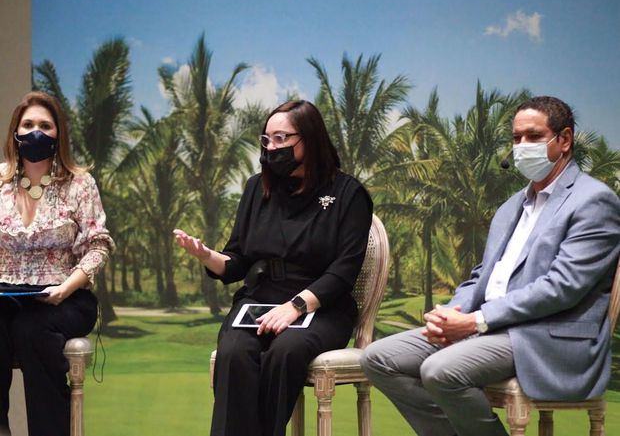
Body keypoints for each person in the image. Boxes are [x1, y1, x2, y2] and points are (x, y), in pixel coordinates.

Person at [360, 96, 620, 436]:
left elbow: (562, 287)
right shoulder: (511, 206)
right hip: (490, 327)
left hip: (547, 335)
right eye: (515, 138)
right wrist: (450, 313)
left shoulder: (593, 200)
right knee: (378, 357)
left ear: (565, 140)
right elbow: (483, 275)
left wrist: (474, 322)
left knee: (440, 370)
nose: (522, 146)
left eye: (533, 136)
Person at [174, 100, 373, 436]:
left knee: (286, 351)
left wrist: (296, 307)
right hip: (259, 301)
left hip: (321, 307)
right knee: (235, 352)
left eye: (282, 139)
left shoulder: (348, 193)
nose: (272, 148)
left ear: (309, 138)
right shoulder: (256, 188)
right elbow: (237, 262)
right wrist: (208, 256)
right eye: (266, 140)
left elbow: (344, 269)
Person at [0, 92, 114, 436]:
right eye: (29, 124)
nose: (36, 132)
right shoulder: (0, 181)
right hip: (6, 294)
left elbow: (98, 245)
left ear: (58, 134)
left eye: (45, 126)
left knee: (31, 330)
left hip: (66, 295)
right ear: (15, 133)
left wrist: (67, 287)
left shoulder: (79, 183)